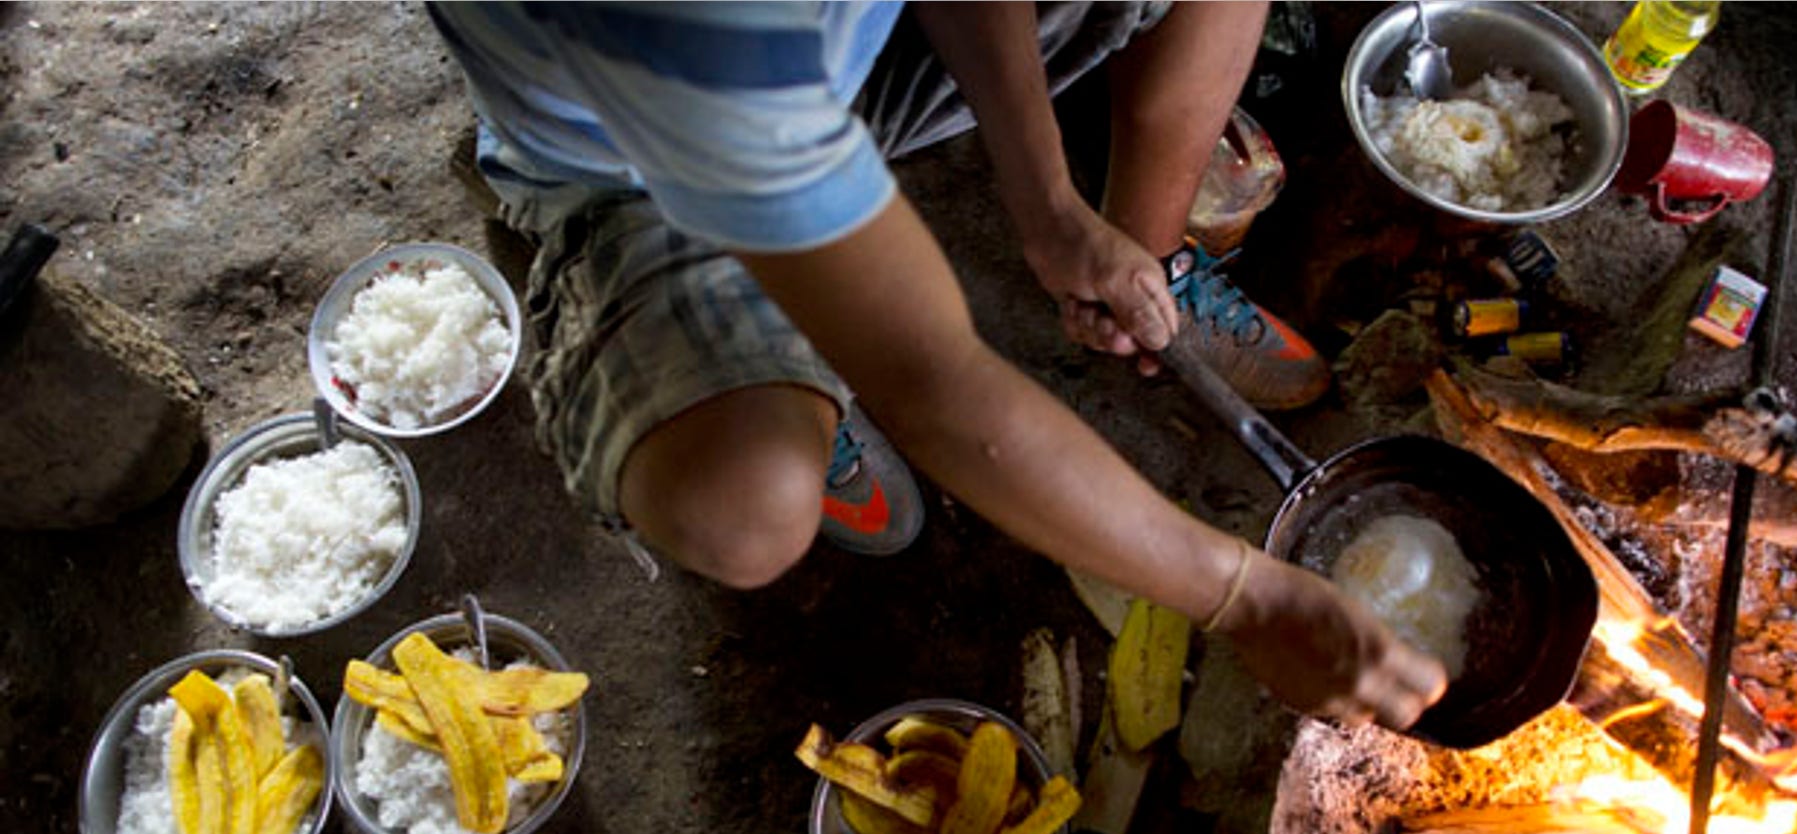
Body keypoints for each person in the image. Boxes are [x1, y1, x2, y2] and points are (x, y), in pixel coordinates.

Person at [428, 1, 1446, 731]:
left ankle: (1150, 257)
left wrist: (1053, 209)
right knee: (741, 502)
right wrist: (1244, 595)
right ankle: (794, 361)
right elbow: (936, 384)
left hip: (843, 51)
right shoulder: (704, 30)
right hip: (640, 155)